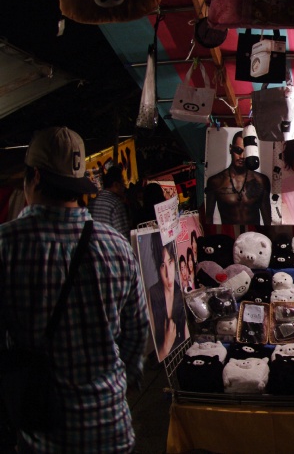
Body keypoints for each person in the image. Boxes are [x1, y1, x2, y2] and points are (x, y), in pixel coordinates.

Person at [0, 127, 149, 452]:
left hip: (42, 433)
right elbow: (138, 330)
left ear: (34, 177)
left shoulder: (6, 246)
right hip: (111, 427)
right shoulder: (116, 246)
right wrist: (117, 381)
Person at [205, 130, 272, 225]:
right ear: (230, 149)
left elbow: (267, 220)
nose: (242, 156)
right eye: (238, 150)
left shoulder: (261, 181)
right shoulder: (216, 182)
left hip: (254, 232)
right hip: (229, 232)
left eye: (246, 152)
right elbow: (208, 218)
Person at [146, 236, 188, 361]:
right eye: (162, 265)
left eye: (170, 262)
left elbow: (187, 338)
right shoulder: (153, 294)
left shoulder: (180, 292)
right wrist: (166, 346)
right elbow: (154, 351)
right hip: (162, 364)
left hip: (181, 358)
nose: (168, 274)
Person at [88, 165, 131, 238]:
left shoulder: (91, 203)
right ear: (116, 185)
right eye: (123, 182)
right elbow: (123, 236)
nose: (125, 186)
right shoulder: (116, 204)